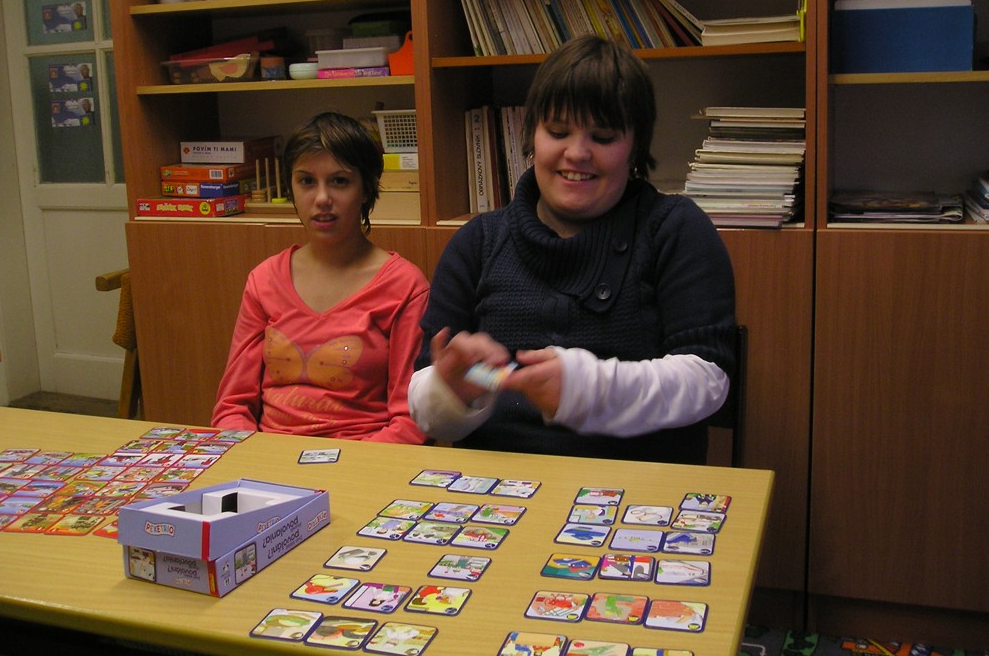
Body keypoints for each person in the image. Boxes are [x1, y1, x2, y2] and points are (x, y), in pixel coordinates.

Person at [408, 35, 736, 464]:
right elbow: (427, 400)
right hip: (497, 490)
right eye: (558, 132)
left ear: (635, 147)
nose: (577, 153)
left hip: (639, 487)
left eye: (603, 136)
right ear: (532, 135)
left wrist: (585, 388)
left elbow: (707, 380)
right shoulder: (477, 242)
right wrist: (455, 388)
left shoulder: (675, 229)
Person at [212, 111, 428, 443]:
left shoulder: (404, 286)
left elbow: (409, 420)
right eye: (306, 181)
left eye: (339, 181)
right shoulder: (264, 280)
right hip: (271, 456)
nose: (322, 198)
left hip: (365, 457)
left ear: (366, 190)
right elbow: (233, 406)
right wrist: (255, 459)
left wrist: (350, 468)